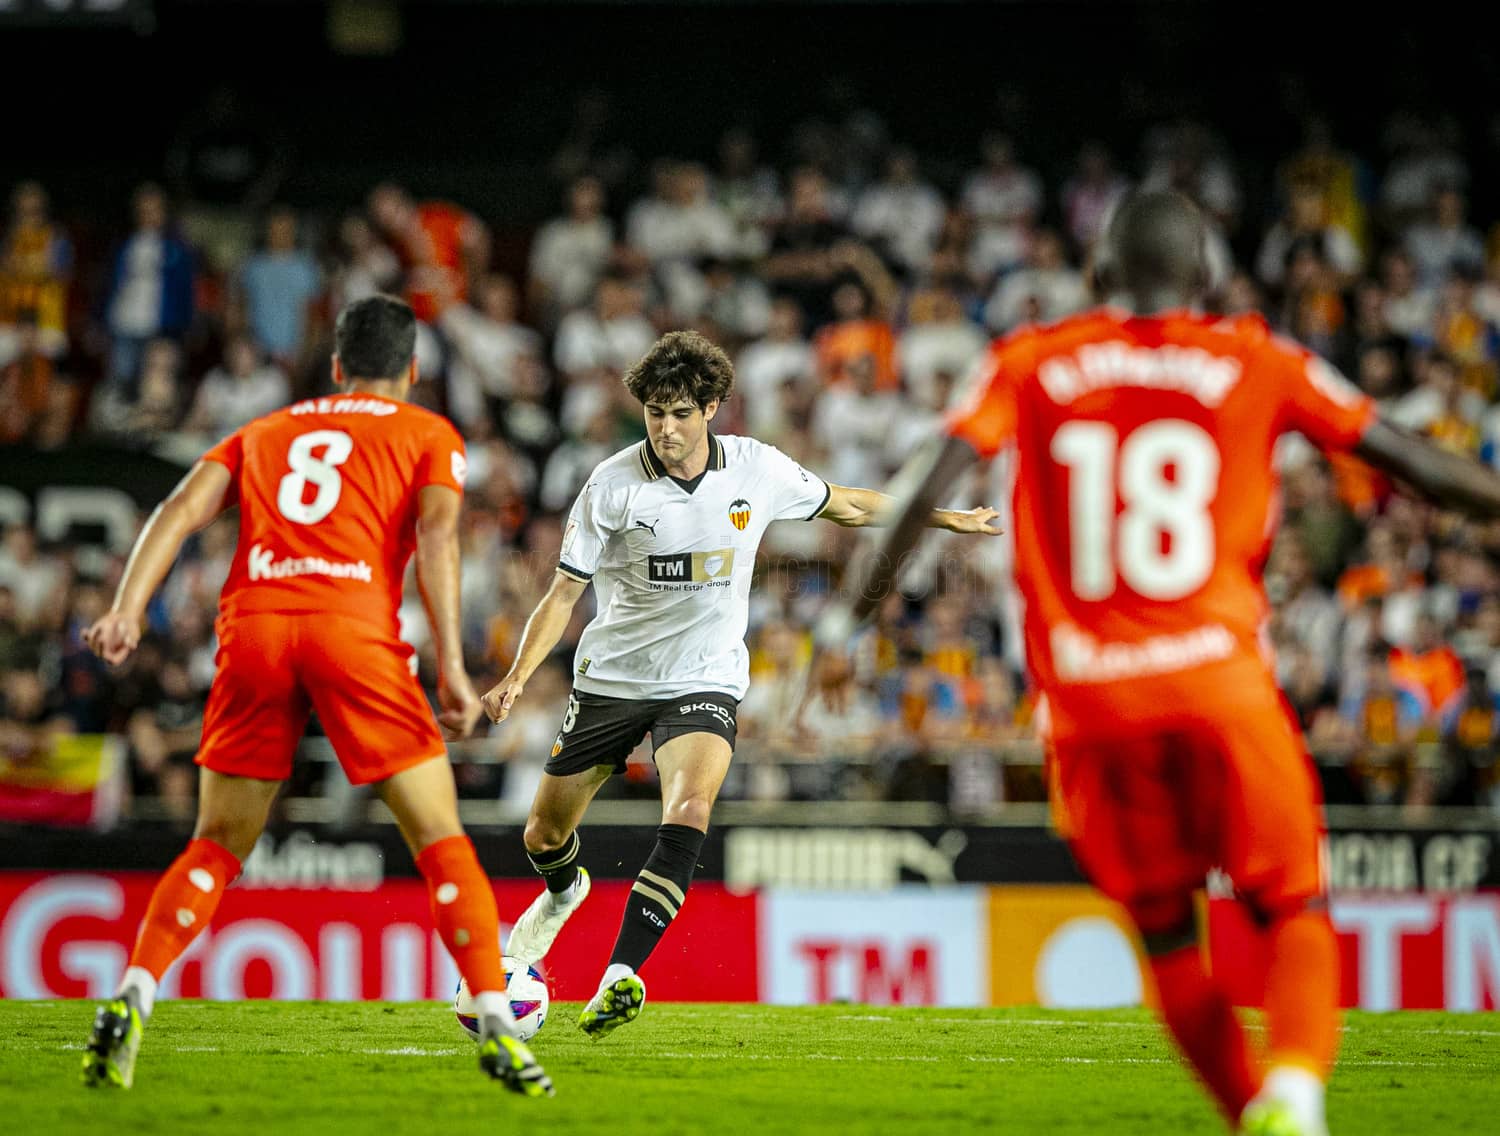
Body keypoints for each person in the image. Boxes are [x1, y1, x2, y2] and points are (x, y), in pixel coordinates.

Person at [816, 190, 1500, 1136]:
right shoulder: (1258, 358)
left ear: (1097, 278)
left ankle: (1255, 1113)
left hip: (1092, 703)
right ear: (1211, 280)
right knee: (1291, 901)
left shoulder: (1031, 361)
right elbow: (1412, 461)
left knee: (1170, 932)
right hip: (1221, 681)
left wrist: (845, 623)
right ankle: (1297, 1091)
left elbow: (923, 486)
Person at [78, 296, 552, 1098]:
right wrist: (453, 672)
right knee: (439, 837)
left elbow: (180, 509)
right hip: (351, 630)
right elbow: (437, 537)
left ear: (335, 367)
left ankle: (134, 992)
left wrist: (126, 609)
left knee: (217, 845)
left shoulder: (265, 430)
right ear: (411, 370)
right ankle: (498, 1023)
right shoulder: (428, 433)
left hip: (255, 627)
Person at [480, 329, 999, 1037]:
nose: (666, 428)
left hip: (706, 677)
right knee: (543, 835)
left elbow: (845, 504)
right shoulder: (610, 484)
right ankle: (567, 889)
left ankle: (620, 974)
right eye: (655, 412)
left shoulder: (756, 468)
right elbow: (563, 595)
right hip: (615, 679)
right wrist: (516, 678)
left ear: (713, 407)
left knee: (690, 808)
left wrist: (948, 518)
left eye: (681, 413)